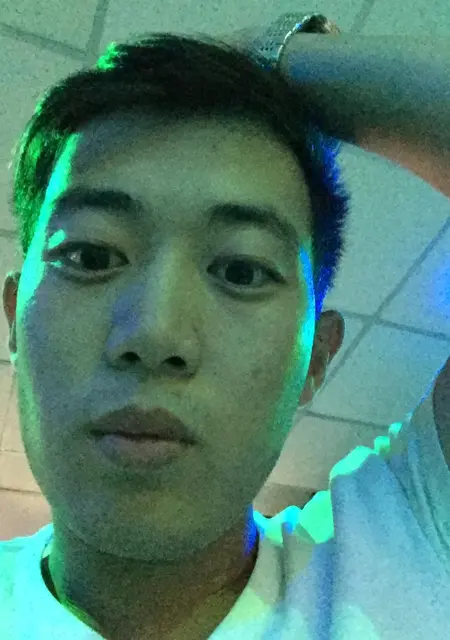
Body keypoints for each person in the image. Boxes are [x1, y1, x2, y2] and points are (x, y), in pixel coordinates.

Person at [1, 16, 449, 640]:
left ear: (315, 360)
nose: (155, 335)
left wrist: (276, 57)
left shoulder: (411, 539)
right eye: (91, 255)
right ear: (13, 320)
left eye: (241, 270)